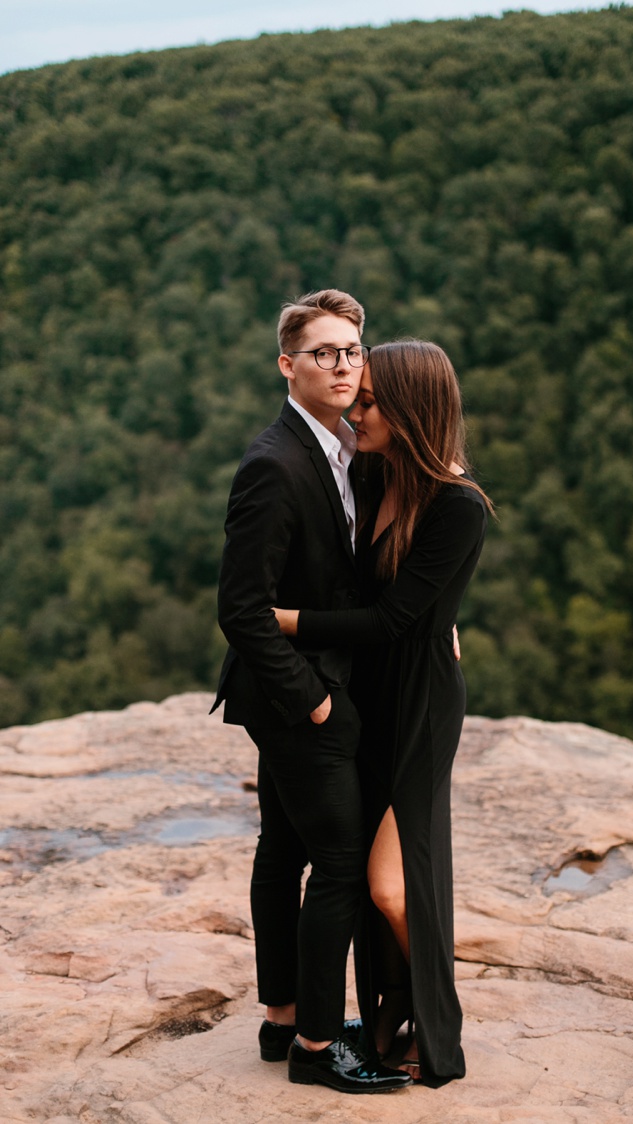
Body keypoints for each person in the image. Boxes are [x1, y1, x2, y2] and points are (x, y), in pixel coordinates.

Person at [272, 339, 492, 1088]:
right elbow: (359, 586)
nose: (353, 412)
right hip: (369, 694)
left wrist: (287, 622)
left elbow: (391, 619)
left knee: (394, 885)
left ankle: (438, 1018)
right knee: (373, 877)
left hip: (421, 702)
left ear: (408, 410)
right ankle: (393, 1023)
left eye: (367, 403)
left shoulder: (459, 507)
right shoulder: (371, 471)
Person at [213, 289, 412, 1093]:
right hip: (298, 700)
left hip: (303, 693)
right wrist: (313, 701)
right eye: (323, 352)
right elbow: (240, 607)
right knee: (335, 863)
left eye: (352, 351)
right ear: (287, 365)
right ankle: (318, 1049)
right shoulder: (274, 462)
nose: (341, 365)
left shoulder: (339, 447)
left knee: (284, 848)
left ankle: (284, 1017)